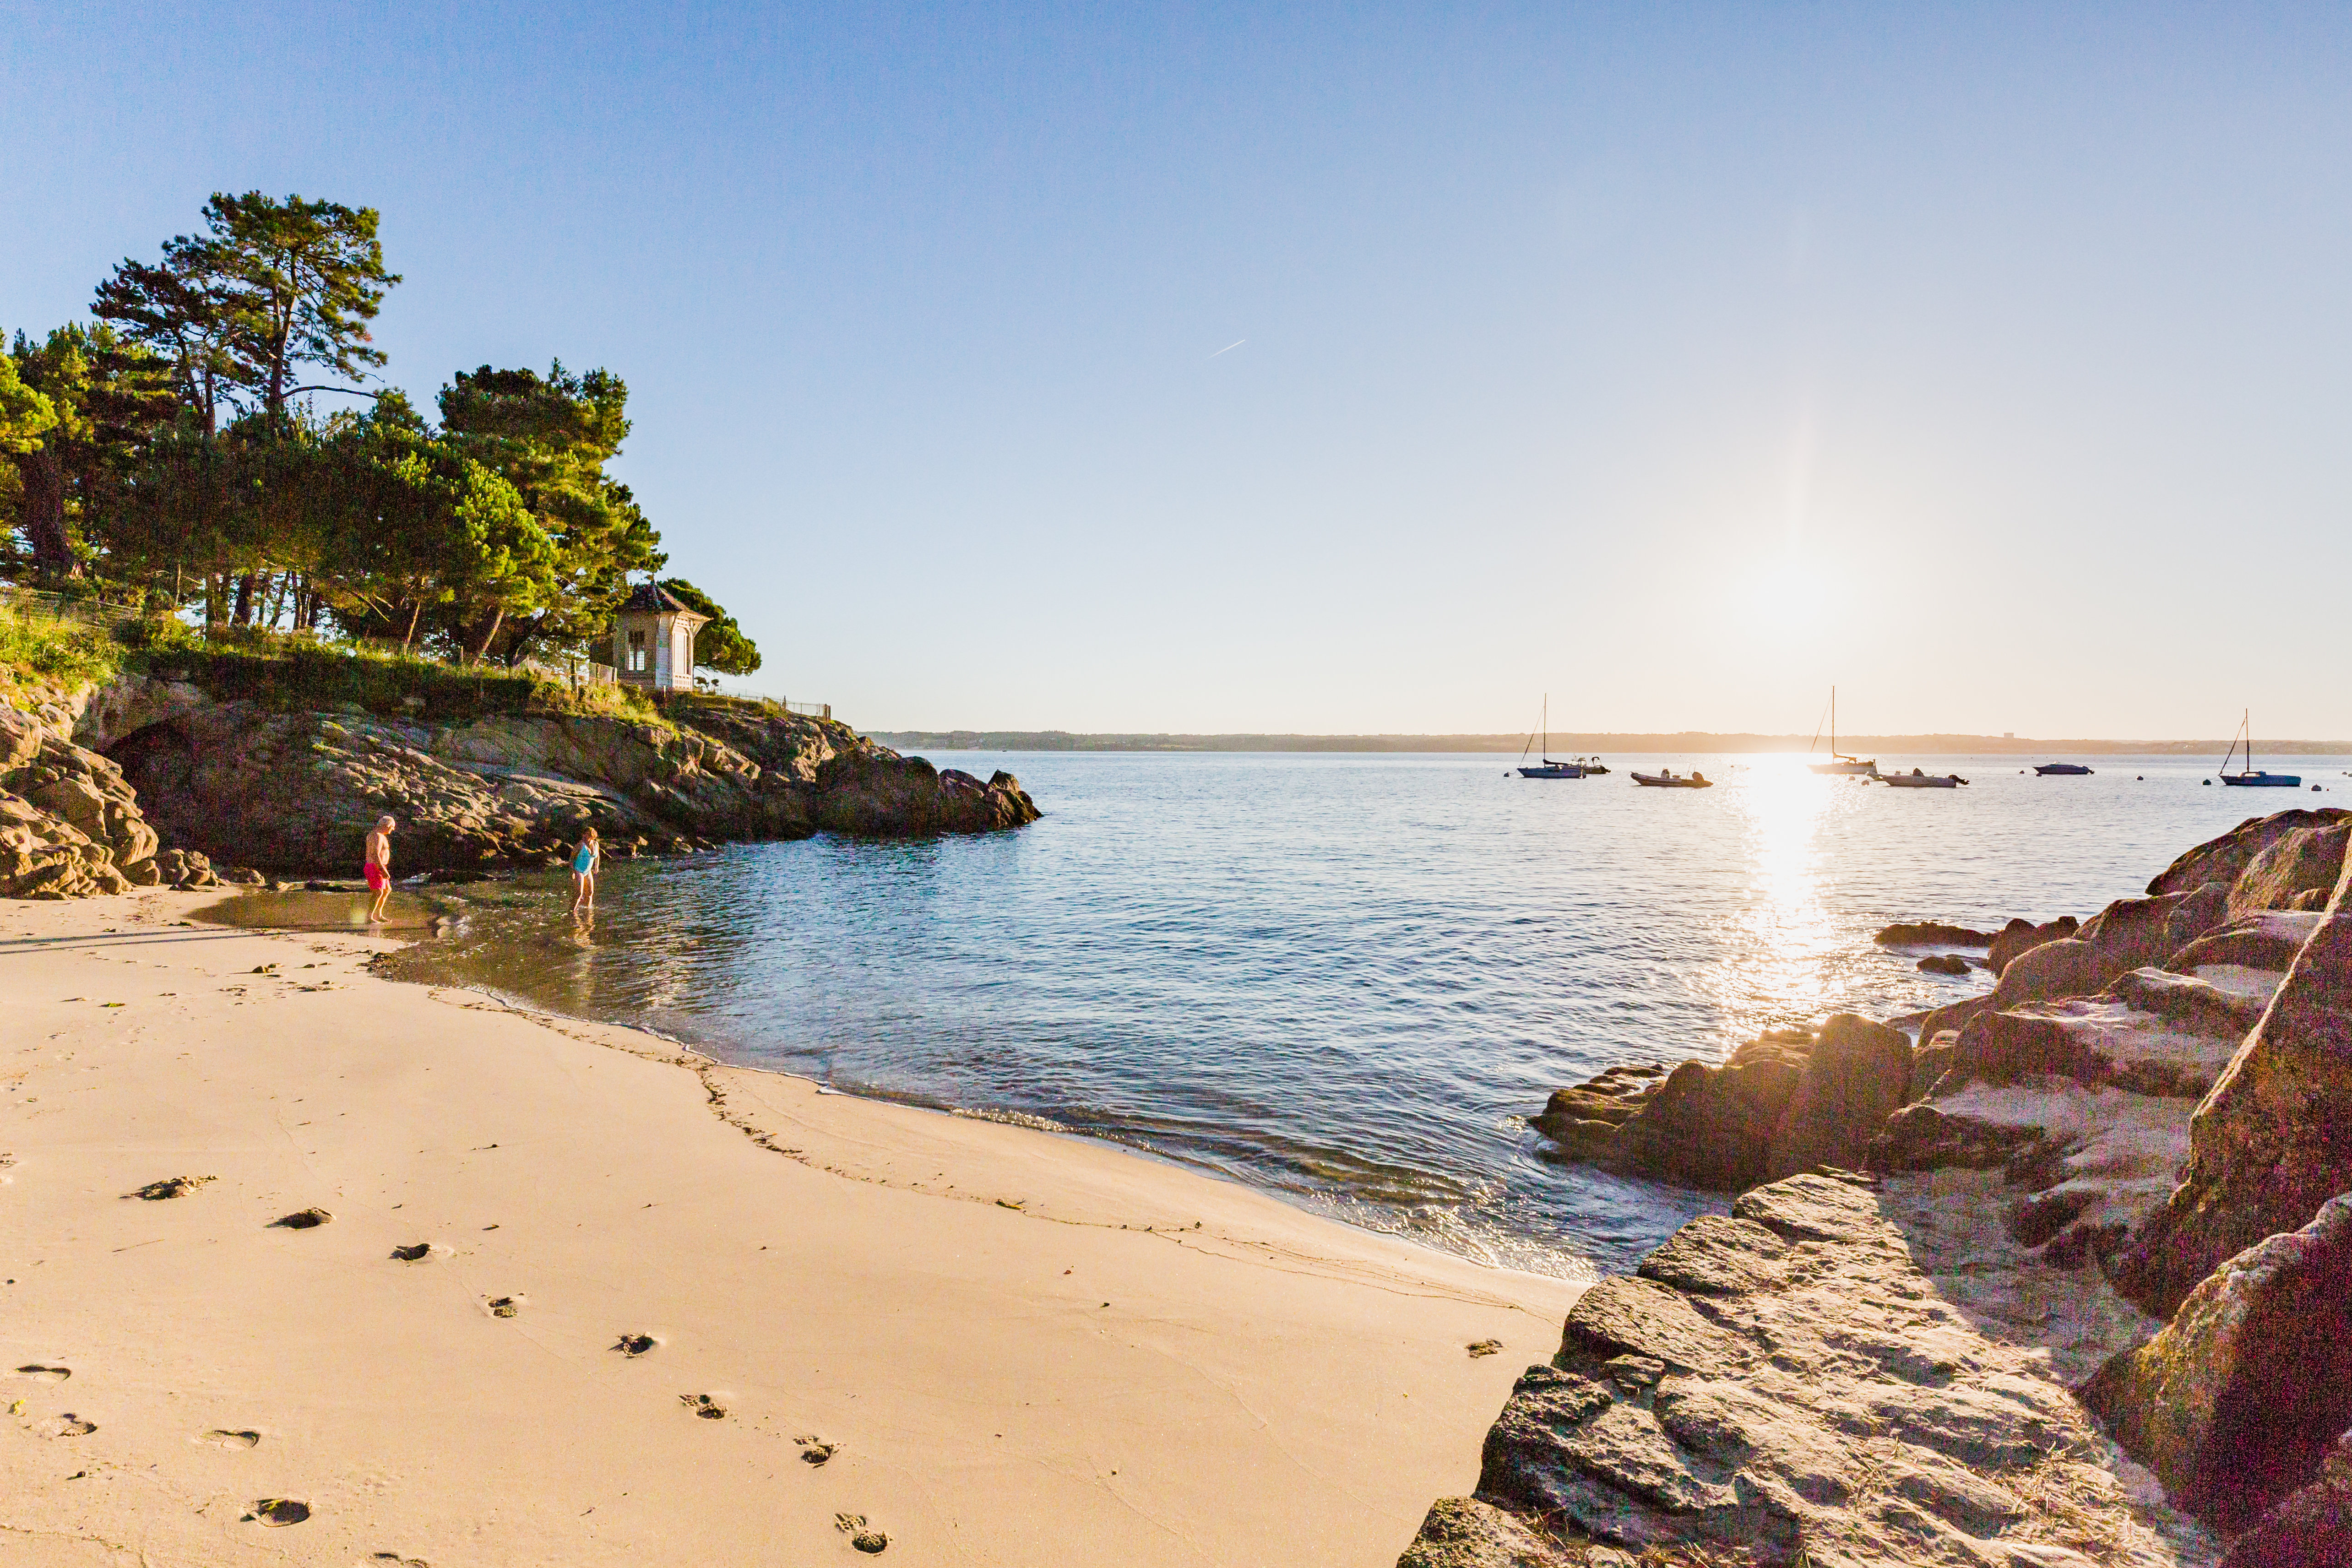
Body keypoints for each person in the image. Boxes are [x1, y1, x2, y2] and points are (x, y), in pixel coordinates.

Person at [364, 815, 396, 922]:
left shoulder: (380, 835)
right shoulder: (377, 836)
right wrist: (382, 870)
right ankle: (370, 918)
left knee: (387, 890)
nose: (393, 829)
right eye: (392, 827)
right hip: (375, 867)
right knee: (378, 892)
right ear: (387, 826)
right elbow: (375, 854)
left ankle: (379, 915)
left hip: (380, 866)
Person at [569, 826, 601, 915]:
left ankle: (588, 912)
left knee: (590, 893)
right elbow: (572, 858)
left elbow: (597, 856)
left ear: (592, 836)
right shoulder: (580, 845)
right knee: (579, 894)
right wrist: (572, 871)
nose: (585, 836)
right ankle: (572, 912)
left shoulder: (596, 844)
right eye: (584, 834)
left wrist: (596, 867)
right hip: (579, 871)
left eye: (588, 834)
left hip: (588, 871)